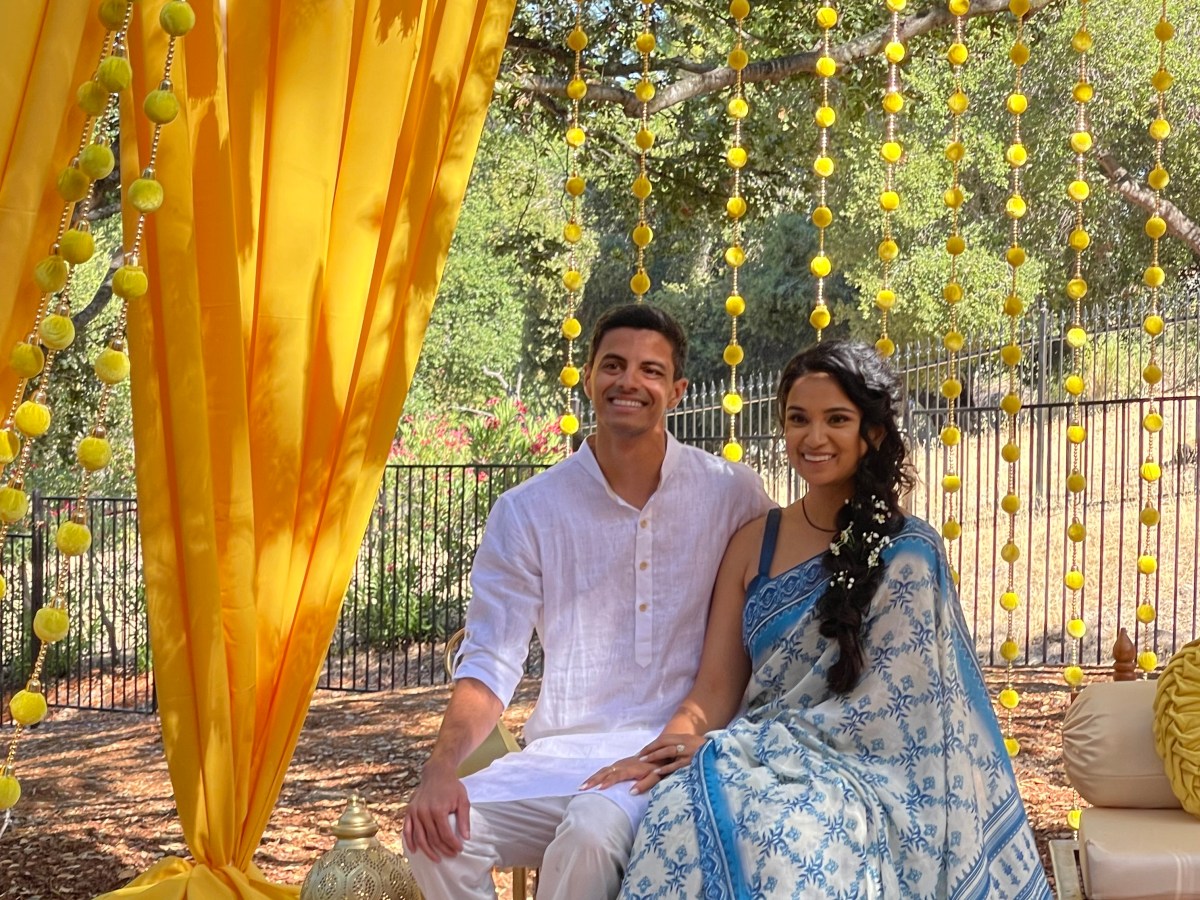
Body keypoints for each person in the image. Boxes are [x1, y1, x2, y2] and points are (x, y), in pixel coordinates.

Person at [586, 339, 1053, 899]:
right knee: (677, 811)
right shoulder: (754, 543)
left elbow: (902, 726)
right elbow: (712, 692)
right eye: (797, 419)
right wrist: (660, 754)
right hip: (749, 764)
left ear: (872, 432)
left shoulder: (909, 553)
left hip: (866, 783)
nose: (813, 437)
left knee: (789, 840)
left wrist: (736, 749)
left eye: (837, 419)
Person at [402, 303, 774, 900]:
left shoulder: (732, 493)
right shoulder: (528, 510)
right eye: (614, 365)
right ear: (589, 376)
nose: (629, 381)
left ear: (677, 390)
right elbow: (491, 660)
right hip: (558, 756)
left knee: (591, 830)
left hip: (670, 757)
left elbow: (763, 627)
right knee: (434, 832)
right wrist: (441, 768)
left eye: (651, 371)